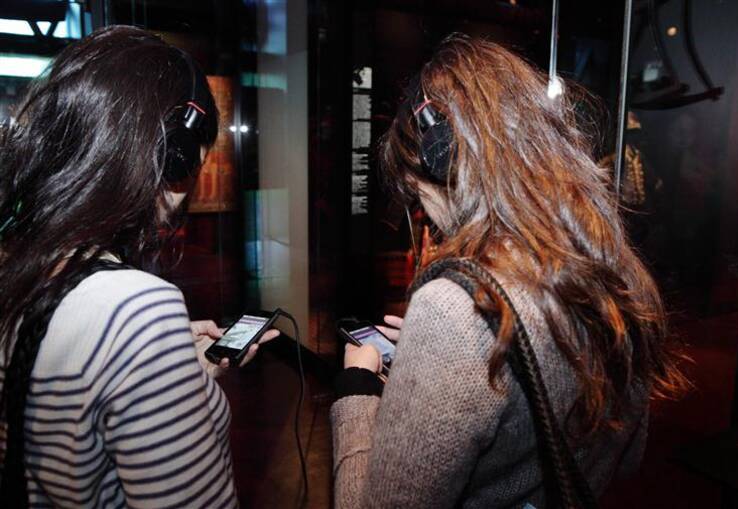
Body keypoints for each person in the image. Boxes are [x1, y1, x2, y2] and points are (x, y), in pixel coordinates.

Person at [331, 35, 688, 508]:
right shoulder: (613, 264)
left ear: (443, 162)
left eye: (418, 193)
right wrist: (434, 363)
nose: (428, 217)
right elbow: (626, 455)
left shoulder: (452, 309)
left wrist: (357, 390)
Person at [0, 26, 277, 507]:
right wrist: (148, 344)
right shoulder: (134, 307)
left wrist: (169, 376)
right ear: (174, 154)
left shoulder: (20, 269)